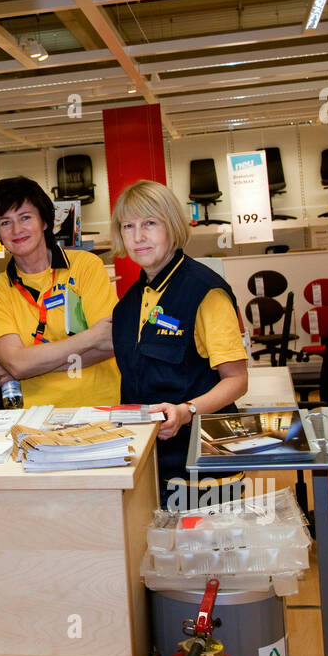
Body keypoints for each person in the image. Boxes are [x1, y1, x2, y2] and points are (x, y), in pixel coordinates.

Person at [110, 180, 248, 494]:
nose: (138, 236)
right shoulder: (129, 303)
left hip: (205, 465)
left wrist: (188, 411)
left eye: (149, 224)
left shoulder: (205, 292)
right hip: (149, 463)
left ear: (171, 226)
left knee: (205, 544)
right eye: (128, 226)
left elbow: (237, 379)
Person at [0, 177, 118, 407]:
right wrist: (90, 338)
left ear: (44, 221)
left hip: (100, 408)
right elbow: (16, 365)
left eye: (25, 217)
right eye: (5, 222)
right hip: (35, 419)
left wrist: (31, 366)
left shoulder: (85, 266)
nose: (17, 230)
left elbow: (111, 343)